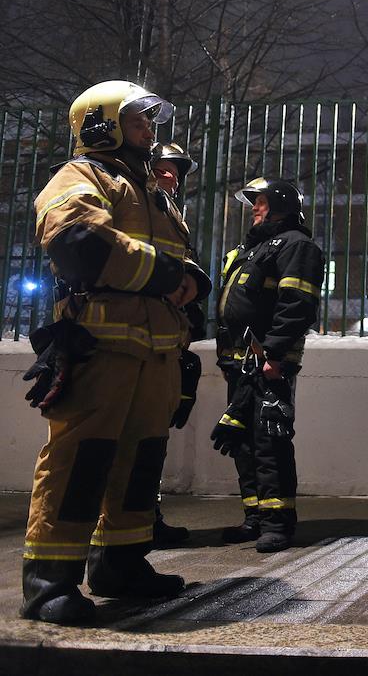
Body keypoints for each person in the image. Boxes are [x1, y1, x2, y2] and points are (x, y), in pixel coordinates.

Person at [20, 81, 211, 624]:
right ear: (100, 124)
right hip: (101, 346)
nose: (149, 130)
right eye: (136, 120)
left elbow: (176, 260)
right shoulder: (80, 176)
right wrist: (171, 276)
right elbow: (80, 244)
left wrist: (192, 280)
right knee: (80, 460)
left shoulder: (152, 192)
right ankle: (49, 583)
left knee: (141, 460)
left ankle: (120, 564)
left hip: (156, 351)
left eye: (149, 121)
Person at [210, 177, 323, 553]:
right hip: (241, 362)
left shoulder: (296, 246)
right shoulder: (254, 249)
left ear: (280, 205)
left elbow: (297, 305)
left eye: (260, 202)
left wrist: (273, 354)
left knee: (269, 441)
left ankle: (278, 523)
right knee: (242, 443)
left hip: (267, 363)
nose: (254, 208)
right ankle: (255, 518)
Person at [148, 142, 203, 547]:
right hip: (137, 338)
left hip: (165, 339)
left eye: (178, 172)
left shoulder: (170, 213)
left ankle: (146, 518)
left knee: (152, 439)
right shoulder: (141, 204)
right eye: (165, 168)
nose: (173, 177)